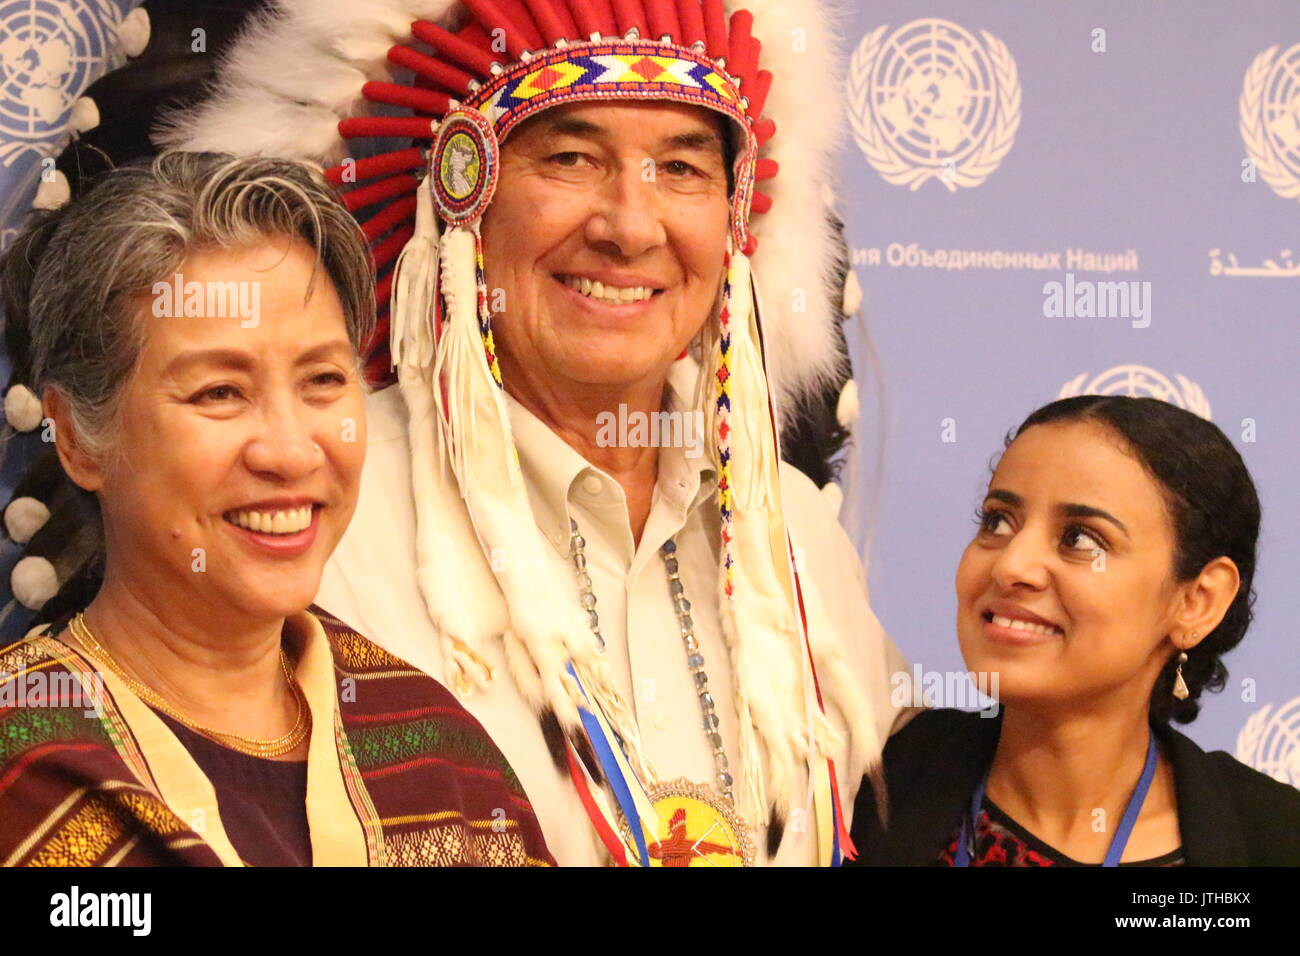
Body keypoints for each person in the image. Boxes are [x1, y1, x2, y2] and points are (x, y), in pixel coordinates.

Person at [158, 0, 909, 865]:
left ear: (738, 217)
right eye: (571, 158)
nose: (631, 227)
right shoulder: (316, 531)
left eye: (683, 167)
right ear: (461, 190)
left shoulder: (798, 546)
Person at [0, 151, 553, 867]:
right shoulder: (26, 773)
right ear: (77, 438)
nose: (292, 453)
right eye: (218, 393)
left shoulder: (441, 759)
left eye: (323, 380)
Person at [850, 395, 1300, 866]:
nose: (1011, 565)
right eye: (998, 521)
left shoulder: (1274, 839)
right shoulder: (859, 786)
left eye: (1080, 538)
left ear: (1197, 602)